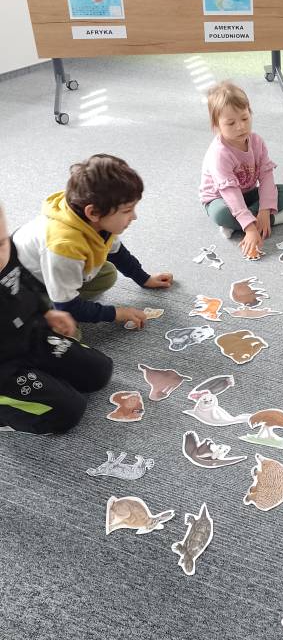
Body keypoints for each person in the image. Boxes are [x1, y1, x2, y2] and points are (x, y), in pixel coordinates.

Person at [12, 154, 173, 331]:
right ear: (93, 213)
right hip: (21, 289)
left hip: (50, 273)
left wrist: (145, 279)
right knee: (68, 335)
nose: (134, 216)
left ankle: (60, 296)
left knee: (107, 274)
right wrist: (116, 313)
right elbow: (67, 308)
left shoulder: (95, 218)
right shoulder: (64, 246)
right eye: (127, 210)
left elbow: (117, 252)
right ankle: (38, 314)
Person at [0, 203, 112, 434]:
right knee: (67, 412)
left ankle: (44, 377)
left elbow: (24, 284)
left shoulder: (8, 253)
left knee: (99, 371)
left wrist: (46, 312)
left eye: (0, 243)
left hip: (31, 335)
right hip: (4, 369)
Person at [199, 81, 283, 259]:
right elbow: (230, 192)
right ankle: (275, 219)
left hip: (247, 193)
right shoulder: (219, 154)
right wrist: (250, 228)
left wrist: (264, 210)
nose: (241, 127)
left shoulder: (256, 141)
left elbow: (266, 176)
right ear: (217, 126)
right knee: (221, 215)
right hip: (220, 198)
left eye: (245, 119)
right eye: (231, 123)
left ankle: (242, 223)